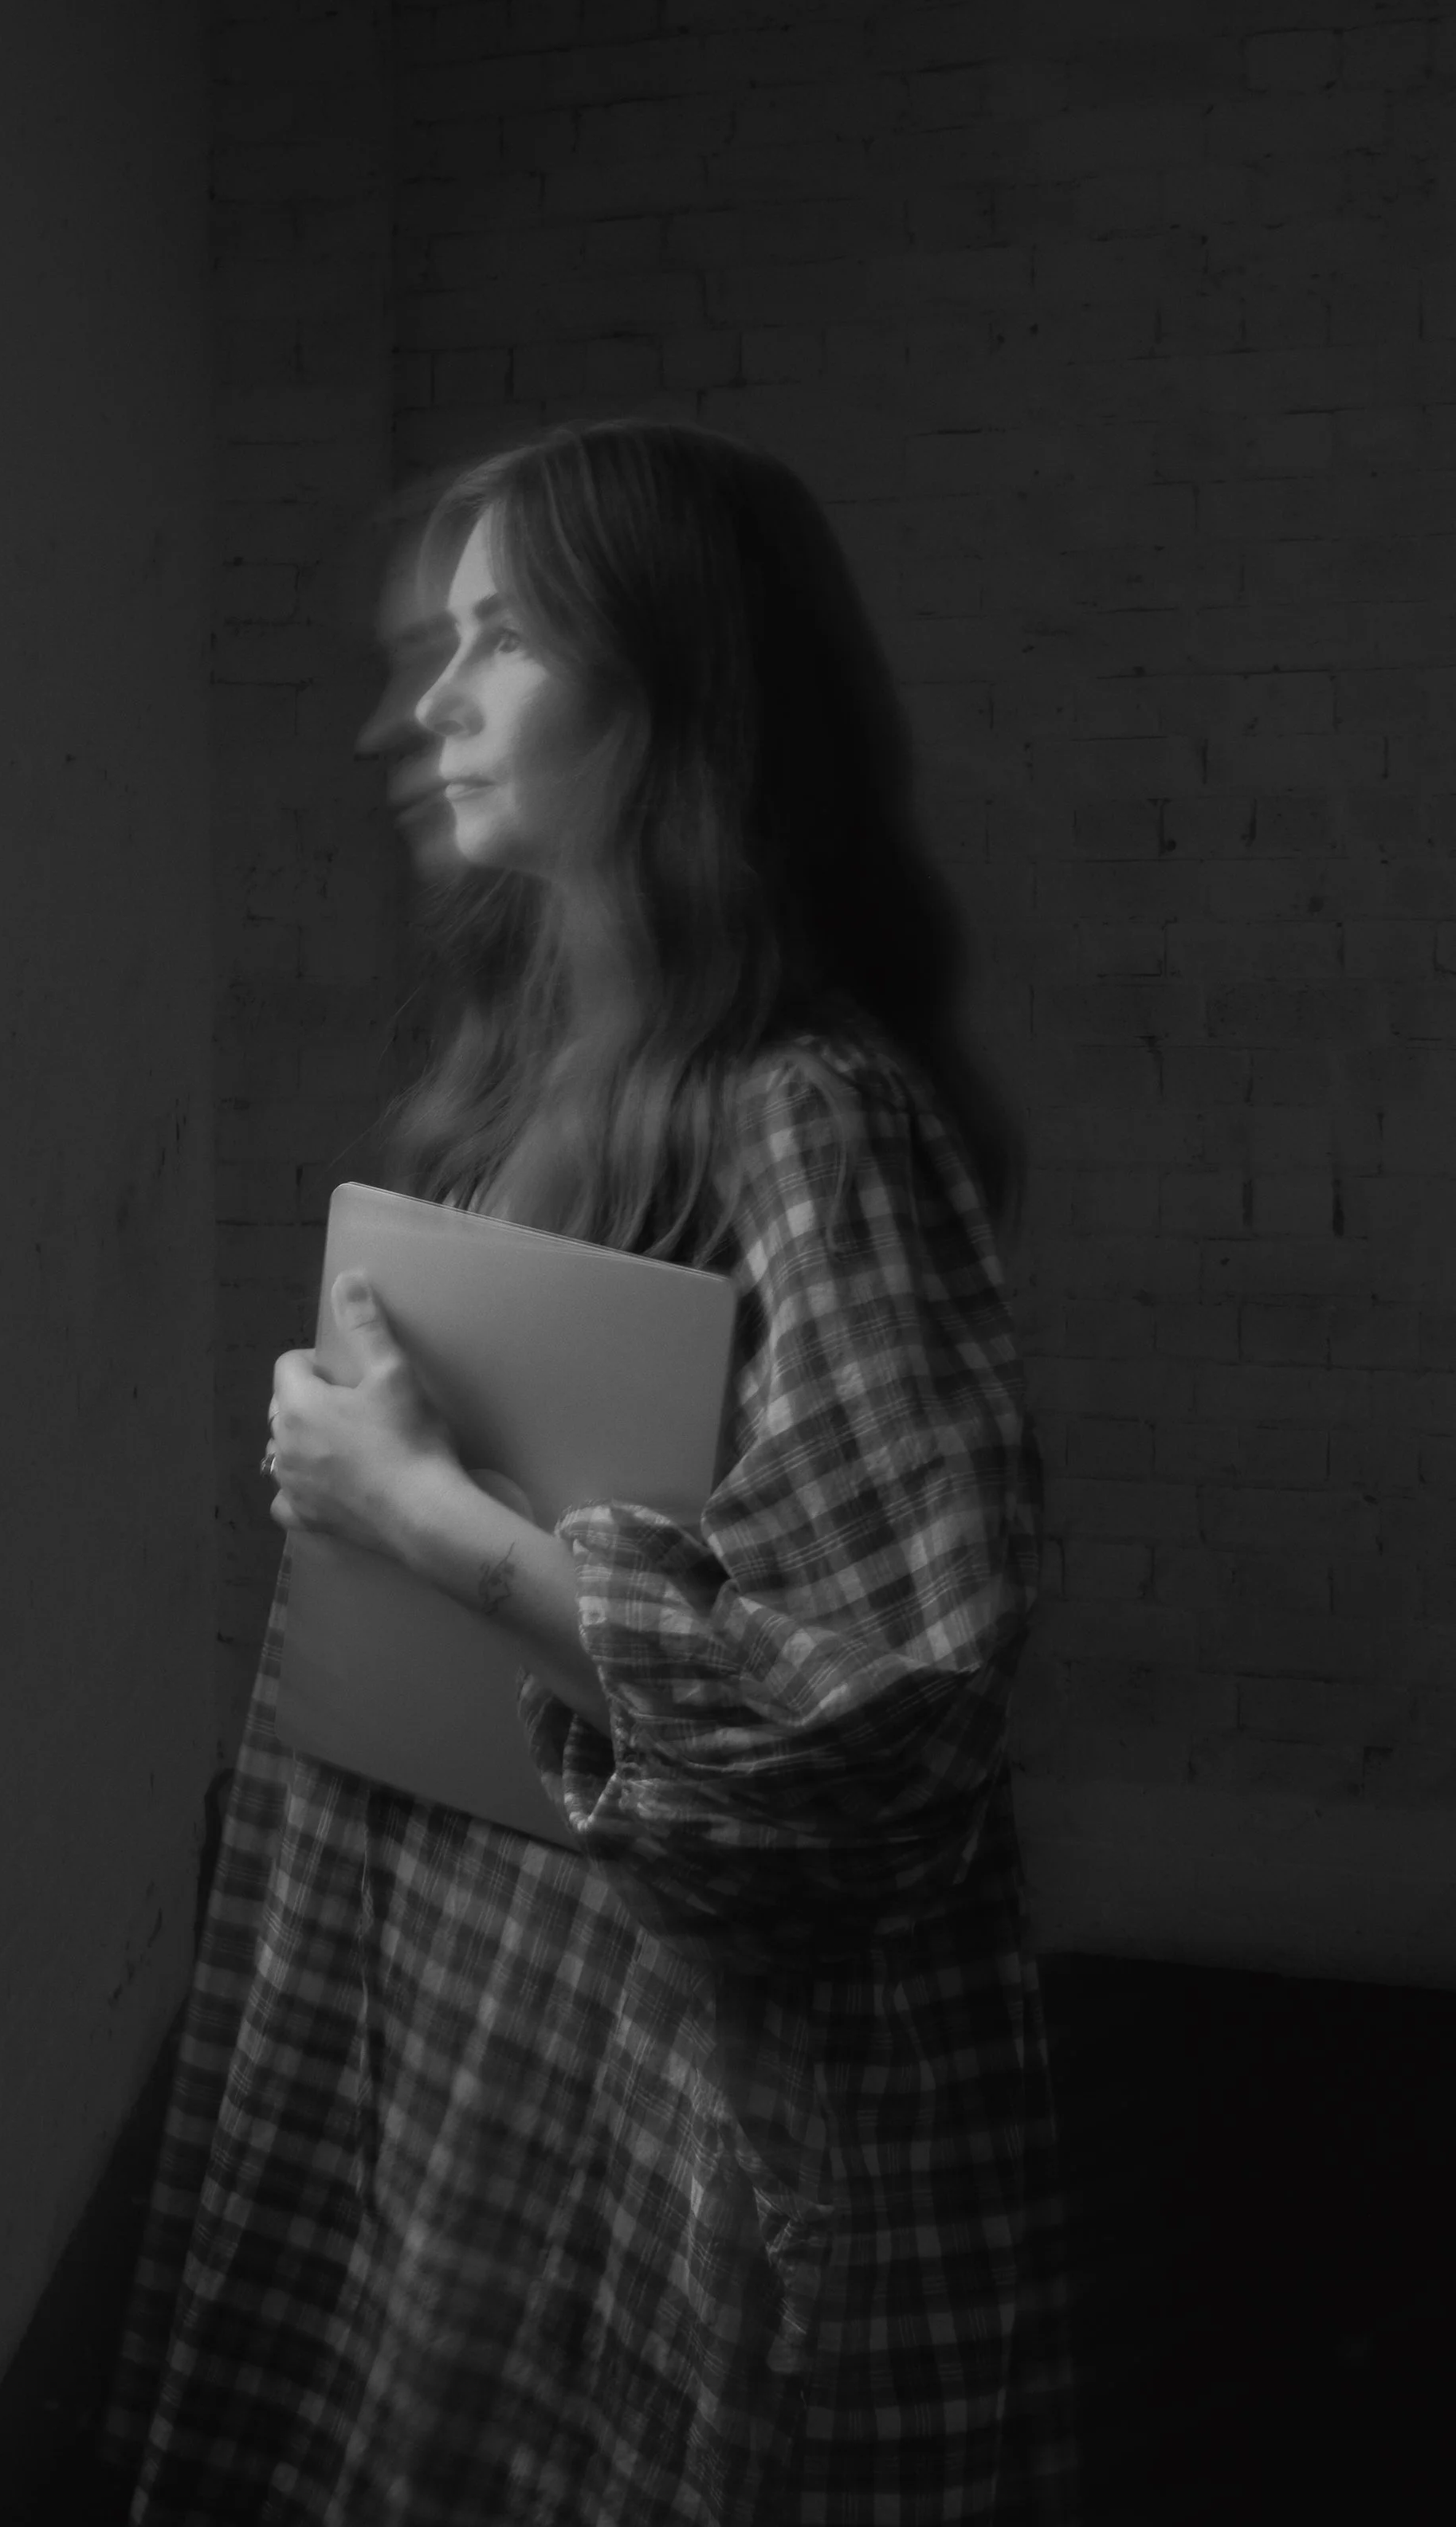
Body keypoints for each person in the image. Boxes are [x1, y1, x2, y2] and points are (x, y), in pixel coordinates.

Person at [104, 422, 1078, 2523]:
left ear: (669, 697)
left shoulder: (805, 1115)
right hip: (496, 1992)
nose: (421, 705)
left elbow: (889, 1690)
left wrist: (414, 1512)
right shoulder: (529, 1079)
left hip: (691, 2070)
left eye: (498, 640)